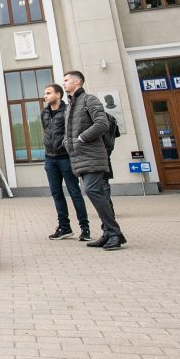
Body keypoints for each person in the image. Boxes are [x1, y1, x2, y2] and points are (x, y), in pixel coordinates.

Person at [62, 70, 126, 250]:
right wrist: (67, 142)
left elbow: (102, 124)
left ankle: (114, 233)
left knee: (91, 190)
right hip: (79, 157)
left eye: (66, 80)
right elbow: (68, 132)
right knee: (96, 191)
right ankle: (108, 233)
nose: (64, 83)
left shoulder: (89, 100)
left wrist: (82, 138)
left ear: (78, 82)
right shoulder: (70, 106)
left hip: (92, 155)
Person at [41, 83, 90, 242]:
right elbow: (47, 132)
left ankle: (85, 228)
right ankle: (64, 227)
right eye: (45, 93)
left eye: (48, 93)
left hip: (65, 158)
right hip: (50, 159)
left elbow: (73, 132)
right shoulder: (45, 113)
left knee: (74, 192)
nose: (45, 96)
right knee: (56, 194)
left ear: (58, 95)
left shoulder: (68, 110)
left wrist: (67, 146)